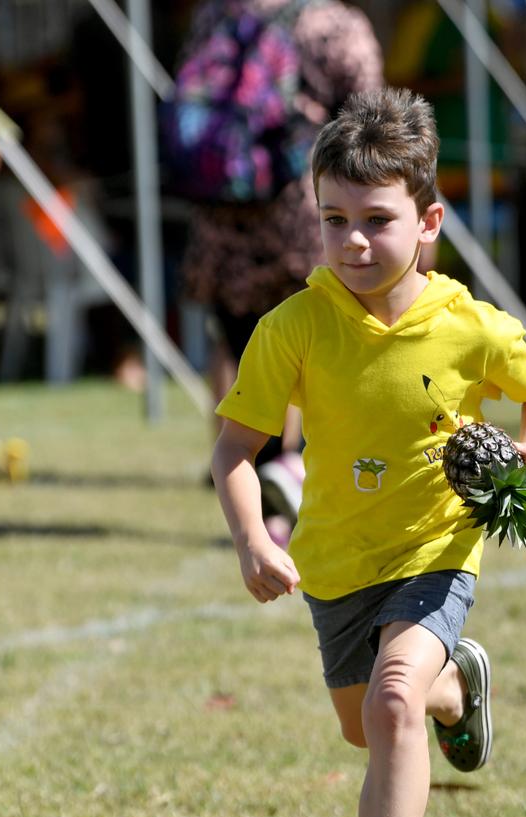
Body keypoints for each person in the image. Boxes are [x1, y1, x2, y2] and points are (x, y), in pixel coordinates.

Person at [211, 87, 526, 817]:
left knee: (390, 703)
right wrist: (254, 537)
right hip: (335, 565)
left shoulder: (466, 324)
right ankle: (461, 687)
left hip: (435, 551)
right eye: (334, 220)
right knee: (363, 722)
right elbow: (235, 453)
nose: (354, 242)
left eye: (377, 220)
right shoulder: (293, 327)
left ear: (429, 221)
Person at [179, 0, 384, 544]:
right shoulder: (333, 25)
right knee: (321, 361)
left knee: (252, 365)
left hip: (223, 224)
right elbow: (369, 128)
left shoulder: (214, 18)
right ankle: (296, 499)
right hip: (306, 223)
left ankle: (267, 506)